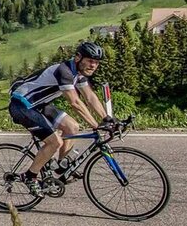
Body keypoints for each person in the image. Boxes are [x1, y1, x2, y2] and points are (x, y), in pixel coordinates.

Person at [7, 41, 116, 196]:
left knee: (72, 127)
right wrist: (96, 125)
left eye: (97, 63)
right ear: (78, 58)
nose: (93, 65)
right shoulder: (63, 71)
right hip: (22, 106)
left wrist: (107, 118)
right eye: (90, 61)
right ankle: (30, 176)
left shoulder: (79, 74)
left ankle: (61, 166)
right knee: (55, 142)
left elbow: (90, 97)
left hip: (39, 104)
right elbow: (75, 102)